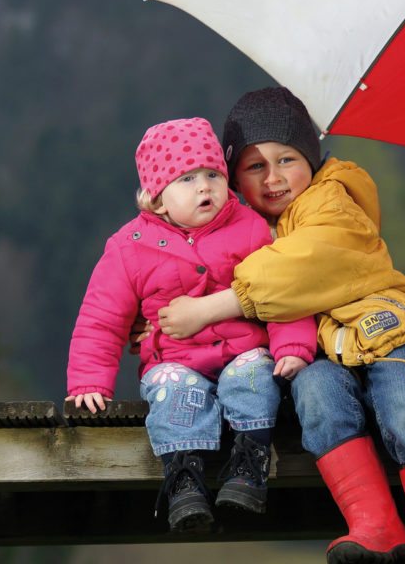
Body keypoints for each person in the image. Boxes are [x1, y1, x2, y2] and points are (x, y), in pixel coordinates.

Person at [154, 88, 405, 564]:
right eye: (254, 166)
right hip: (318, 350)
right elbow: (180, 276)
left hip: (382, 330)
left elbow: (304, 265)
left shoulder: (332, 199)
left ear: (310, 158)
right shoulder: (238, 228)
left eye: (286, 159)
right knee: (318, 400)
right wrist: (157, 325)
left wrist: (208, 309)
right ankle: (376, 526)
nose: (272, 178)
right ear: (233, 178)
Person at [65, 117, 316, 533]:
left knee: (254, 373)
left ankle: (249, 460)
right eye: (187, 179)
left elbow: (281, 295)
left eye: (213, 175)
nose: (205, 187)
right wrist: (89, 381)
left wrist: (293, 347)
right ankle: (183, 476)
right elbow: (101, 318)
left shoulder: (249, 228)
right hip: (176, 358)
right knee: (172, 389)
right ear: (158, 199)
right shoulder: (130, 247)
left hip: (241, 350)